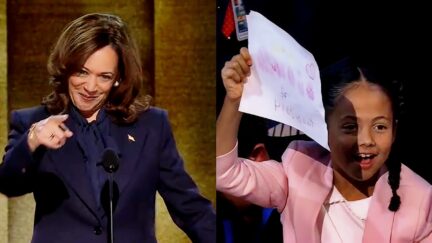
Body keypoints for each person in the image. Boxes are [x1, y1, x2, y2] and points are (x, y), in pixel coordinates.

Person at [0, 13, 215, 243]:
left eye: (104, 76)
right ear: (66, 67)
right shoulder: (33, 121)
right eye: (82, 72)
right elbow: (9, 184)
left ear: (118, 79)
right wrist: (31, 142)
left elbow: (190, 208)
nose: (90, 87)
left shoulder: (151, 126)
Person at [216, 47, 432, 242]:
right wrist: (234, 100)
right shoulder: (298, 170)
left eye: (380, 127)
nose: (366, 140)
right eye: (350, 127)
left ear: (394, 130)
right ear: (325, 127)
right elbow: (224, 173)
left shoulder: (420, 200)